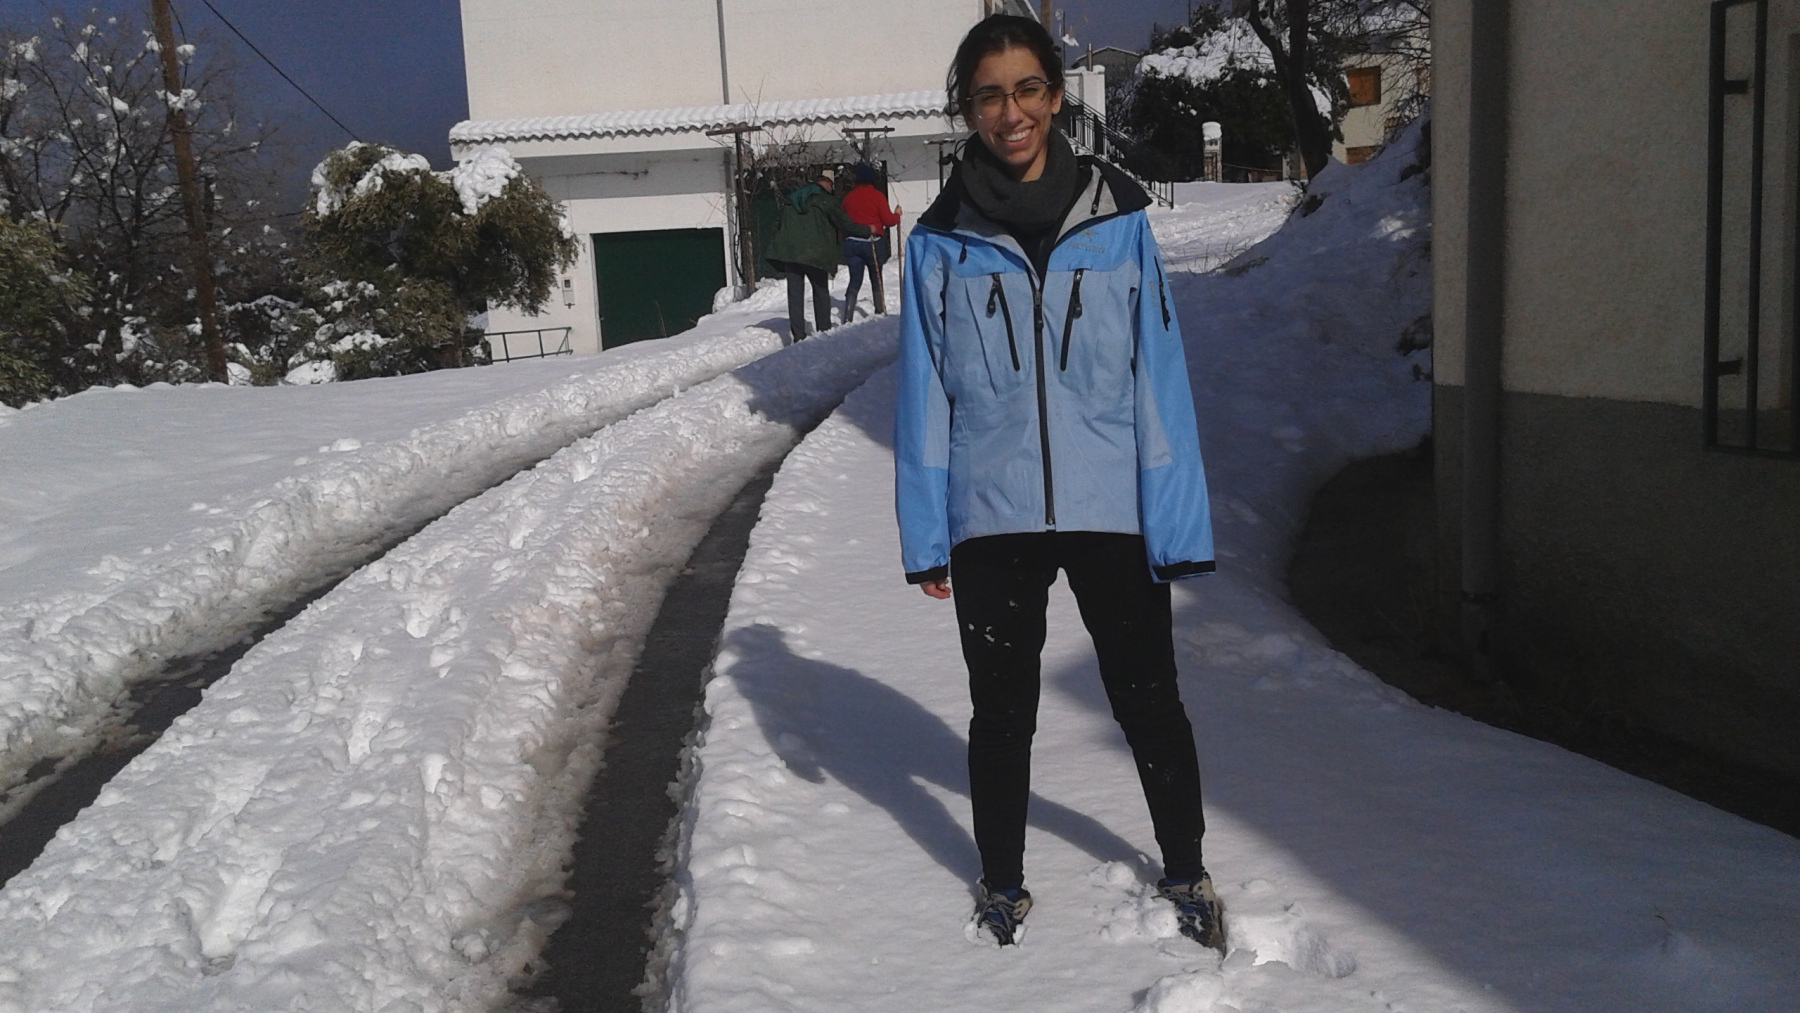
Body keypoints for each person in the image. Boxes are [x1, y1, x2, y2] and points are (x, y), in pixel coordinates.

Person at [892, 14, 1223, 951]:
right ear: (968, 108)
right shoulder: (940, 241)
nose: (1013, 113)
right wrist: (927, 534)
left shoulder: (1119, 222)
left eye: (1028, 88)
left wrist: (1175, 522)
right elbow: (924, 397)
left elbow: (1158, 379)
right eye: (990, 95)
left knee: (1149, 699)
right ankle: (1003, 885)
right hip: (991, 515)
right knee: (1001, 714)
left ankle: (1187, 870)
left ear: (1056, 95)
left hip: (1111, 507)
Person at [764, 168, 873, 340]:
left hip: (791, 253)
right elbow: (845, 224)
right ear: (829, 184)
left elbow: (777, 224)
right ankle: (823, 333)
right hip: (815, 254)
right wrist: (867, 230)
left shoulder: (792, 199)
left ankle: (798, 336)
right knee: (821, 292)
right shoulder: (826, 200)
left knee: (795, 295)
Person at [839, 162, 902, 320]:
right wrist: (897, 215)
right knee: (876, 277)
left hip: (851, 243)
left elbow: (842, 222)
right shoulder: (877, 196)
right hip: (872, 243)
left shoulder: (848, 198)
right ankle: (879, 311)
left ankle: (847, 315)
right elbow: (888, 220)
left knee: (855, 279)